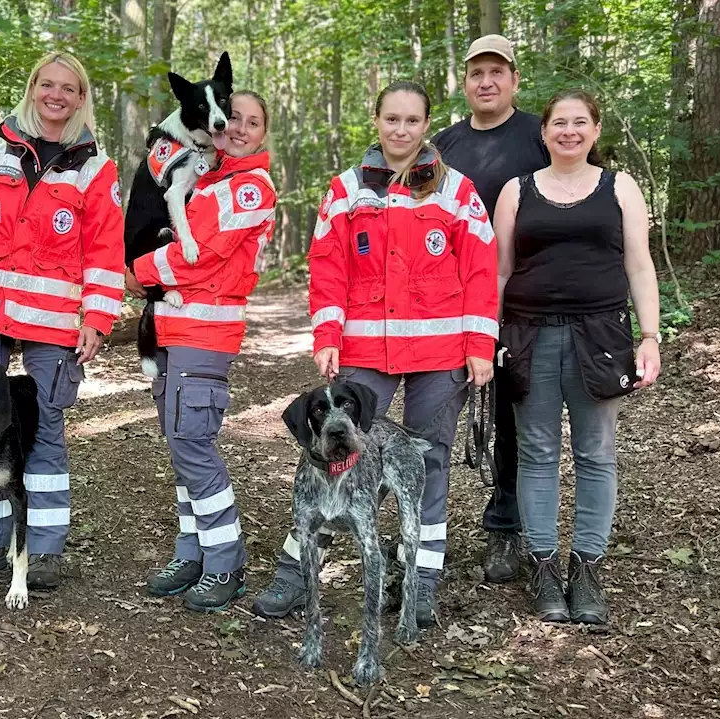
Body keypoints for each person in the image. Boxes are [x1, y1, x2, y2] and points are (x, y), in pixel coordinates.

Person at [250, 81, 498, 628]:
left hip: (441, 354)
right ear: (377, 120)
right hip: (365, 350)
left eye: (412, 120)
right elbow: (329, 267)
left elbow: (481, 269)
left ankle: (420, 581)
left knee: (428, 465)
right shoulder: (345, 189)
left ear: (426, 124)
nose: (401, 130)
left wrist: (481, 344)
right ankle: (296, 575)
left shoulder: (457, 190)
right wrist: (327, 337)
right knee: (331, 457)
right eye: (392, 119)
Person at [0, 51, 125, 591]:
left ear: (82, 99)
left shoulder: (94, 167)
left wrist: (98, 317)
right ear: (34, 87)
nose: (56, 95)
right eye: (47, 84)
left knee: (46, 432)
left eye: (69, 88)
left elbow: (105, 250)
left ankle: (43, 550)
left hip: (52, 319)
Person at [492, 89, 661, 625]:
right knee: (536, 453)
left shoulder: (620, 187)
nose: (569, 131)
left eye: (579, 122)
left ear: (595, 129)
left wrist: (651, 336)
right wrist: (486, 335)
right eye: (559, 123)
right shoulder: (516, 191)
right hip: (527, 334)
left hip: (601, 335)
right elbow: (498, 270)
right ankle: (543, 566)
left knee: (596, 454)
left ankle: (586, 568)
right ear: (543, 133)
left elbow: (639, 266)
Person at [125, 91, 276, 612]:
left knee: (193, 444)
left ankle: (224, 561)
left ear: (262, 135)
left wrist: (136, 274)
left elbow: (202, 257)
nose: (238, 128)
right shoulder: (207, 178)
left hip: (204, 336)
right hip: (172, 328)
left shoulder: (250, 188)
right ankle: (192, 553)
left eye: (252, 123)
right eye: (234, 117)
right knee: (180, 446)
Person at [431, 34, 549, 585]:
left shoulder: (540, 135)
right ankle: (422, 528)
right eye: (477, 71)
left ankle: (506, 526)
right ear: (465, 81)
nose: (486, 81)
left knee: (513, 418)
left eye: (496, 71)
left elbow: (577, 192)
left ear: (513, 80)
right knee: (436, 416)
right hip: (451, 304)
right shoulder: (443, 146)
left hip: (528, 300)